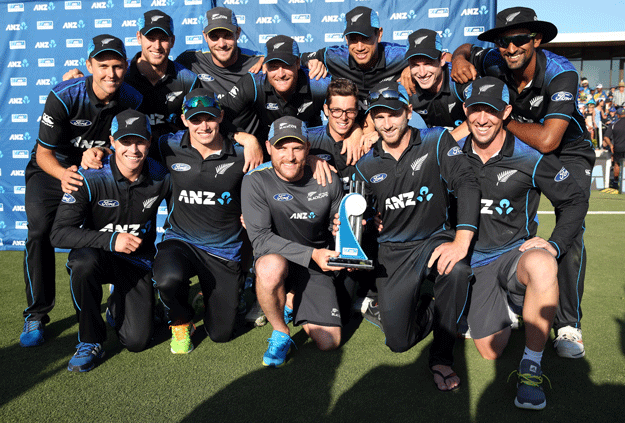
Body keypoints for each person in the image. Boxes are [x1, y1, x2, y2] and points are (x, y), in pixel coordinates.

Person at [451, 6, 595, 359]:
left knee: (571, 228)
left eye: (519, 40)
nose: (511, 48)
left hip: (567, 150)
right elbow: (468, 50)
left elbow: (548, 140)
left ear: (537, 39)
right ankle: (515, 292)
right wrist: (457, 57)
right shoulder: (494, 60)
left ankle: (567, 324)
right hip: (518, 145)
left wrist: (501, 119)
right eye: (504, 41)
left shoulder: (561, 72)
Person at [458, 77, 588, 409]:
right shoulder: (450, 154)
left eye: (491, 110)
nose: (483, 118)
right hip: (473, 262)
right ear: (465, 111)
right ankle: (508, 307)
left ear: (506, 112)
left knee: (543, 264)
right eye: (476, 110)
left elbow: (573, 200)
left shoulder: (530, 157)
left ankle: (531, 366)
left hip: (513, 256)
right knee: (489, 350)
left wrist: (556, 244)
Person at [353, 82, 480, 391]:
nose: (387, 123)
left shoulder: (436, 140)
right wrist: (353, 224)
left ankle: (441, 357)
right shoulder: (365, 166)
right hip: (393, 252)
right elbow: (359, 214)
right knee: (398, 342)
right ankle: (432, 306)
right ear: (371, 120)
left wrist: (462, 239)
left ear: (408, 112)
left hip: (433, 239)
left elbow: (466, 181)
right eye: (379, 116)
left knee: (457, 268)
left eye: (393, 114)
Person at [19, 35, 143, 348]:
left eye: (117, 66)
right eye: (102, 66)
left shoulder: (131, 98)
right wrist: (64, 174)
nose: (110, 74)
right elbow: (43, 153)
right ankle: (36, 312)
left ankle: (118, 294)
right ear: (88, 66)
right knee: (39, 231)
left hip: (96, 169)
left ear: (125, 67)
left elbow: (124, 142)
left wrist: (101, 149)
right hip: (52, 169)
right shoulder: (64, 95)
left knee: (110, 224)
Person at [49, 110, 171, 372]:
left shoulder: (162, 176)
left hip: (137, 262)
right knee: (82, 263)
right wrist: (111, 239)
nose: (133, 149)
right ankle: (90, 340)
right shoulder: (89, 176)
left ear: (149, 142)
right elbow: (59, 233)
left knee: (137, 341)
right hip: (100, 256)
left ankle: (120, 304)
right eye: (126, 141)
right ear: (112, 142)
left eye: (139, 141)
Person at [241, 117, 346, 367]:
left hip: (315, 266)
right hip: (281, 259)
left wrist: (346, 233)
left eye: (297, 147)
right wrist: (313, 254)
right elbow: (261, 239)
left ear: (308, 148)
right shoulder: (255, 180)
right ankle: (281, 331)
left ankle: (289, 298)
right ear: (268, 148)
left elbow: (339, 227)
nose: (290, 156)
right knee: (269, 268)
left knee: (329, 341)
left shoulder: (327, 177)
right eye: (281, 147)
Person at [152, 89, 249, 353]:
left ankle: (207, 296)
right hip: (180, 240)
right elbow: (127, 148)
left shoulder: (243, 153)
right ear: (184, 120)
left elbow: (279, 163)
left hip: (224, 251)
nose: (203, 126)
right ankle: (181, 322)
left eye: (209, 118)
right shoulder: (167, 145)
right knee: (167, 278)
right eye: (195, 119)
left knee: (221, 334)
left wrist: (250, 139)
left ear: (220, 116)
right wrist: (98, 151)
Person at [221, 36, 330, 152]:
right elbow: (218, 115)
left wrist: (352, 133)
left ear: (298, 63)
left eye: (287, 65)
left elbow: (345, 109)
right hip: (266, 150)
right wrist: (246, 138)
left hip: (311, 149)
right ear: (265, 66)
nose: (280, 74)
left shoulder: (317, 82)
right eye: (273, 67)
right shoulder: (254, 82)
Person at [300, 6, 407, 118]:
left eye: (366, 38)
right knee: (314, 79)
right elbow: (295, 59)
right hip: (347, 125)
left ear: (379, 34)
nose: (359, 47)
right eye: (353, 39)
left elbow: (425, 58)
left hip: (385, 125)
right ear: (346, 39)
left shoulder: (397, 56)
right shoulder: (334, 57)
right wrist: (311, 63)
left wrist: (412, 67)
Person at [175, 6, 264, 101]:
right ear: (205, 36)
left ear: (238, 33)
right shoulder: (190, 59)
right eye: (214, 37)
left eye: (228, 36)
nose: (221, 44)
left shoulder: (258, 63)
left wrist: (268, 60)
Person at [402, 29, 468, 138]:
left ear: (442, 59)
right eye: (415, 65)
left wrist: (443, 144)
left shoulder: (459, 77)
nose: (422, 73)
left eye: (428, 64)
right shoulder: (407, 85)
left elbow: (482, 116)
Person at [603, 108, 625, 187]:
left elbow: (606, 137)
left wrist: (611, 145)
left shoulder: (614, 124)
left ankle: (616, 182)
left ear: (618, 115)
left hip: (618, 147)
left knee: (617, 164)